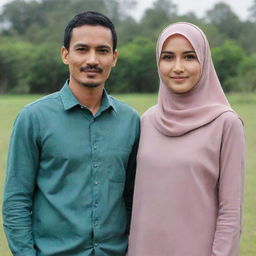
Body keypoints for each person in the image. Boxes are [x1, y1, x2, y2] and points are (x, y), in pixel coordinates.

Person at [3, 11, 140, 256]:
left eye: (102, 50)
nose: (92, 60)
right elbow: (16, 202)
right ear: (65, 54)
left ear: (114, 57)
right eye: (82, 49)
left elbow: (132, 200)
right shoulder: (33, 118)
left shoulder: (131, 122)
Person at [127, 22, 245, 256]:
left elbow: (230, 212)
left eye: (189, 57)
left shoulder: (226, 124)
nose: (178, 67)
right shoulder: (147, 121)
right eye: (168, 57)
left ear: (204, 61)